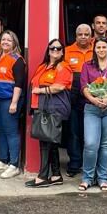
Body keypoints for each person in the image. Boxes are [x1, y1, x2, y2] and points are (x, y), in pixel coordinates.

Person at [24, 39, 72, 188]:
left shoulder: (63, 67)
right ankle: (56, 175)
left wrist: (41, 90)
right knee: (50, 142)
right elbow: (34, 84)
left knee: (46, 142)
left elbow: (59, 87)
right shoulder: (43, 66)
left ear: (63, 51)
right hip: (42, 107)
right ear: (48, 50)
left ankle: (43, 176)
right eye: (52, 48)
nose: (55, 51)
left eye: (58, 49)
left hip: (53, 109)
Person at [80, 37, 107, 192]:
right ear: (94, 49)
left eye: (104, 47)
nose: (101, 50)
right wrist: (94, 99)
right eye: (98, 47)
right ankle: (87, 178)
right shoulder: (87, 66)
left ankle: (103, 178)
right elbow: (84, 86)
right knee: (91, 144)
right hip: (92, 108)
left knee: (106, 145)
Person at [0, 30, 26, 179]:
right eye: (3, 40)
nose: (5, 42)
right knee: (1, 131)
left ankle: (14, 164)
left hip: (9, 100)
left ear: (14, 42)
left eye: (9, 40)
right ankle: (3, 161)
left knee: (11, 132)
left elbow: (19, 83)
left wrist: (14, 102)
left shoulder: (17, 60)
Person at [63, 24, 95, 177]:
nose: (83, 37)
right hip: (73, 96)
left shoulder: (97, 50)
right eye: (80, 34)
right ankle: (75, 163)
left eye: (86, 34)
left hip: (93, 95)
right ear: (75, 36)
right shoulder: (67, 51)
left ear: (91, 36)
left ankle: (90, 163)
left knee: (90, 132)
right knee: (74, 131)